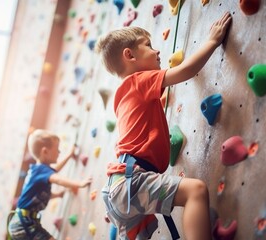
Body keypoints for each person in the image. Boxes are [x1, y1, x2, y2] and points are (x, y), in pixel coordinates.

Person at [95, 13, 232, 240]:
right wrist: (212, 41)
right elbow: (186, 71)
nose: (157, 51)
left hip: (119, 188)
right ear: (129, 55)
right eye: (149, 46)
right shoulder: (139, 80)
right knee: (195, 191)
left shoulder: (125, 95)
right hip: (131, 180)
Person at [8, 129, 92, 240]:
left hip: (22, 221)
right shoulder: (41, 171)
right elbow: (58, 179)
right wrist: (79, 183)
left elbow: (53, 173)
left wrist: (69, 155)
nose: (59, 152)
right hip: (24, 223)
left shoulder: (38, 171)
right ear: (45, 152)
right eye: (57, 149)